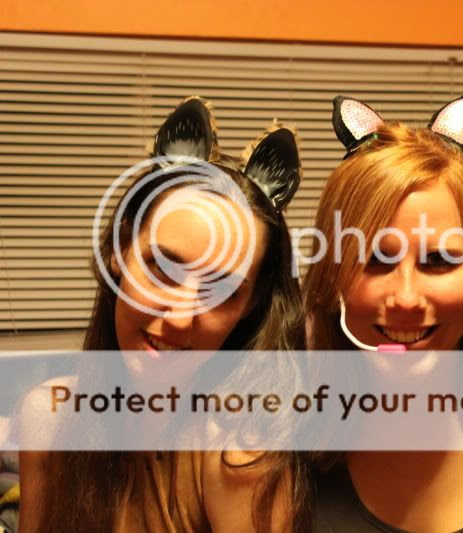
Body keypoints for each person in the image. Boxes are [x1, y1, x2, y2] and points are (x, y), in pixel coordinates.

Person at [19, 97, 307, 533]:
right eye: (163, 268)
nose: (179, 317)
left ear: (250, 307)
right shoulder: (49, 418)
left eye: (221, 290)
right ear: (119, 252)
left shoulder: (239, 454)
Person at [301, 95, 463, 531]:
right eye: (374, 260)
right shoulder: (276, 461)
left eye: (438, 260)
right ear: (332, 278)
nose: (406, 298)